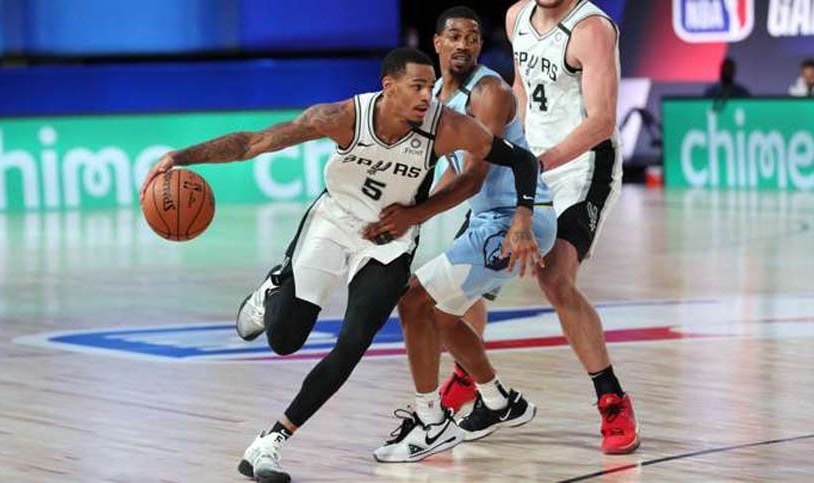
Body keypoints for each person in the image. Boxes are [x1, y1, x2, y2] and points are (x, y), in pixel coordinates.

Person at [140, 47, 545, 482]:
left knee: (353, 343)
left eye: (430, 87)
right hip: (333, 221)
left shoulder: (445, 125)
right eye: (416, 87)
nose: (427, 96)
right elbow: (253, 143)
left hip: (388, 239)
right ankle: (274, 289)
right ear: (388, 87)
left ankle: (271, 441)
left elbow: (521, 160)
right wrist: (180, 157)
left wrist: (519, 216)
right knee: (285, 340)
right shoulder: (342, 117)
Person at [366, 7, 557, 463]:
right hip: (489, 219)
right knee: (444, 317)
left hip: (517, 221)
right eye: (454, 36)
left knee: (414, 302)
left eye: (473, 38)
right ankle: (498, 400)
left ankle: (431, 422)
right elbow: (440, 169)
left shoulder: (489, 93)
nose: (464, 44)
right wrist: (401, 215)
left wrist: (413, 216)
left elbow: (473, 178)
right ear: (436, 43)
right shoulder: (432, 97)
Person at [508, 0, 640, 454]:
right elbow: (521, 89)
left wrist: (540, 163)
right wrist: (511, 150)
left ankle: (611, 398)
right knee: (485, 250)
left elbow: (602, 121)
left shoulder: (591, 28)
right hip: (535, 158)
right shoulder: (516, 16)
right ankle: (474, 382)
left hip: (583, 167)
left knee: (555, 278)